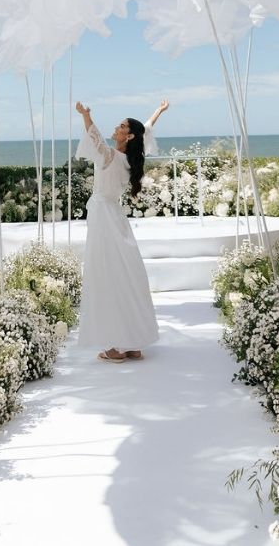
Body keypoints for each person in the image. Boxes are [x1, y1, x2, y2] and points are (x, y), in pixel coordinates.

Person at [72, 98, 166, 362]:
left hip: (103, 217)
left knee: (105, 275)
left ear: (129, 135)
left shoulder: (112, 156)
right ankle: (134, 342)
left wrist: (85, 115)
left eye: (122, 126)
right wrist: (157, 111)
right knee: (126, 274)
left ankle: (115, 347)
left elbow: (96, 138)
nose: (117, 126)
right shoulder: (130, 159)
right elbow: (145, 130)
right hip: (116, 217)